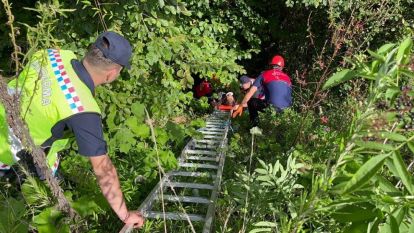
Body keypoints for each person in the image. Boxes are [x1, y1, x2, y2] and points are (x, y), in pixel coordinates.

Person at [0, 31, 144, 228]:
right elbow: (103, 168)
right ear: (112, 73)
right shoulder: (82, 109)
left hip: (3, 111)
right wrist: (126, 215)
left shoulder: (55, 54)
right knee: (27, 205)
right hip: (8, 149)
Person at [233, 55, 292, 126]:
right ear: (282, 67)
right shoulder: (288, 78)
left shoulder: (264, 74)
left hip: (272, 108)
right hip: (287, 110)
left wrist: (241, 105)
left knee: (251, 102)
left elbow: (250, 92)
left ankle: (255, 127)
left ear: (270, 65)